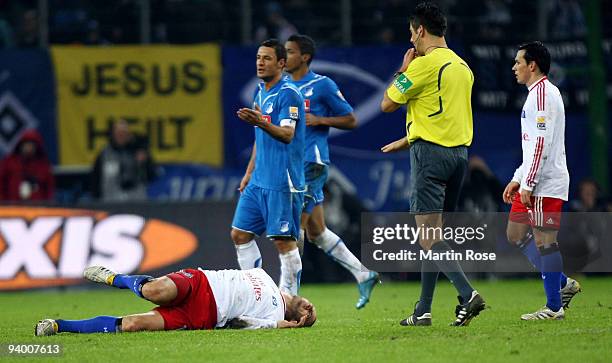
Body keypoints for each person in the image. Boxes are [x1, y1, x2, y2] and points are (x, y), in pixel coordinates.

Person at [379, 2, 485, 326]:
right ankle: (423, 310)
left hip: (431, 158)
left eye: (412, 33)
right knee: (435, 237)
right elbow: (443, 116)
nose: (411, 40)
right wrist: (408, 139)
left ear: (420, 30)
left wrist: (403, 69)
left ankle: (467, 294)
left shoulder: (423, 65)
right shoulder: (463, 67)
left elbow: (386, 104)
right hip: (458, 158)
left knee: (428, 237)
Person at [284, 34, 380, 309]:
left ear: (304, 57)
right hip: (292, 163)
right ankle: (364, 274)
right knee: (317, 231)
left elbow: (351, 119)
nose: (285, 56)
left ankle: (286, 298)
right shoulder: (284, 86)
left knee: (293, 228)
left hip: (311, 163)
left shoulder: (322, 85)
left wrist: (320, 119)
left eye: (290, 52)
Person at [503, 41, 581, 320]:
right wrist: (518, 178)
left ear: (532, 65)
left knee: (545, 241)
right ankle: (563, 283)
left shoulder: (543, 95)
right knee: (514, 234)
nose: (514, 67)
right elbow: (532, 145)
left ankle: (554, 307)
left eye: (518, 62)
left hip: (545, 182)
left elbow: (541, 144)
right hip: (535, 177)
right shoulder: (536, 94)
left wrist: (529, 183)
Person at [35, 265, 316, 336]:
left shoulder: (274, 318)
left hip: (201, 317)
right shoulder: (268, 278)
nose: (308, 306)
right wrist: (296, 300)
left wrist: (283, 327)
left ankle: (59, 326)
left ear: (296, 319)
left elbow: (239, 323)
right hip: (201, 282)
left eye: (307, 313)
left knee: (133, 325)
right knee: (155, 291)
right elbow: (292, 270)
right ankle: (115, 278)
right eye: (308, 304)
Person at [233, 39, 306, 296]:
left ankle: (289, 301)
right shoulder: (260, 91)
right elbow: (259, 138)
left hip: (282, 180)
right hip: (259, 179)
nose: (260, 63)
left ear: (282, 63)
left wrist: (261, 121)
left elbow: (287, 134)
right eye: (257, 58)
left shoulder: (289, 94)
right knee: (240, 234)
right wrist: (249, 172)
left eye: (266, 58)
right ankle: (257, 296)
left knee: (284, 242)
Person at [90, 119, 157, 202]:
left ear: (128, 135)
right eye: (118, 134)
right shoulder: (104, 154)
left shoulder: (139, 151)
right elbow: (95, 179)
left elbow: (152, 175)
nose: (121, 136)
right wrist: (97, 200)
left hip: (136, 201)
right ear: (113, 135)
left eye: (123, 133)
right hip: (111, 202)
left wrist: (144, 163)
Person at [0, 129, 54, 201]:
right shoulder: (9, 162)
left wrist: (48, 205)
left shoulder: (43, 165)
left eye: (32, 145)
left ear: (37, 147)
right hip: (12, 207)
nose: (29, 148)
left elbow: (49, 188)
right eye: (26, 144)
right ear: (20, 145)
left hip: (38, 207)